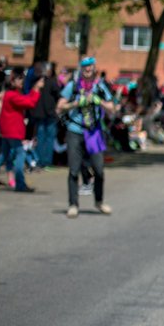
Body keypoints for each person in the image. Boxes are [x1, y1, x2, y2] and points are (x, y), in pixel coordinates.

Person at [57, 56, 116, 217]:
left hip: (94, 131)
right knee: (74, 170)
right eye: (84, 67)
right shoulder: (72, 86)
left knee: (99, 169)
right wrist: (75, 104)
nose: (87, 69)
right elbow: (59, 108)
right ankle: (73, 204)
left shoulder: (100, 86)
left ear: (94, 67)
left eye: (90, 66)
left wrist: (99, 101)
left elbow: (112, 108)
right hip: (75, 131)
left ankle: (99, 201)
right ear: (80, 69)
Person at [0, 68, 43, 193]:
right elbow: (29, 103)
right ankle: (20, 184)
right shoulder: (12, 95)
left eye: (22, 79)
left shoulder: (12, 94)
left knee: (3, 156)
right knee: (20, 156)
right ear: (12, 81)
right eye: (19, 79)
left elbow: (26, 99)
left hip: (9, 131)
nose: (22, 82)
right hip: (13, 131)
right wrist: (36, 90)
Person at [29, 62, 61, 169]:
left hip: (42, 113)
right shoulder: (51, 82)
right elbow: (58, 95)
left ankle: (41, 161)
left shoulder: (37, 82)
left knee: (42, 137)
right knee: (46, 138)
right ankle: (44, 161)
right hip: (48, 113)